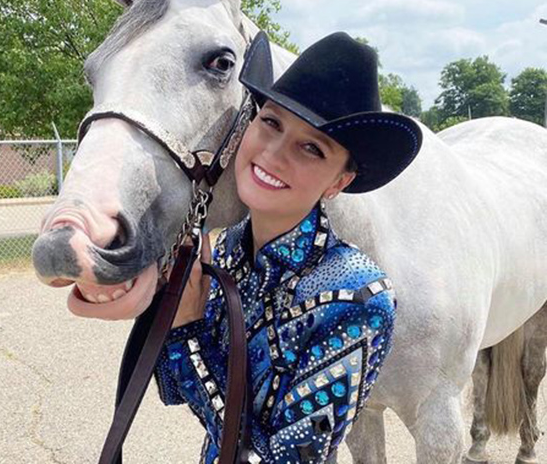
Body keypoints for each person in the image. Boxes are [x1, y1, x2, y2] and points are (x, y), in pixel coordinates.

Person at [153, 31, 423, 463]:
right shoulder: (227, 254)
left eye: (312, 148)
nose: (274, 153)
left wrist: (187, 331)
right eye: (272, 122)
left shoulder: (358, 297)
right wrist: (165, 301)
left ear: (339, 182)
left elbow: (288, 459)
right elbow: (173, 387)